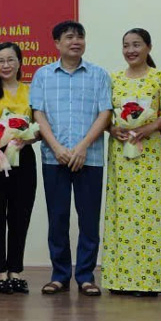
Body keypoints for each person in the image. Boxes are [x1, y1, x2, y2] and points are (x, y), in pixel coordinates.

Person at [30, 20, 112, 296]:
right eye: (69, 37)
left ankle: (86, 276)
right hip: (55, 159)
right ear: (57, 43)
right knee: (58, 218)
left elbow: (105, 113)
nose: (75, 42)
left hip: (90, 157)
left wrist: (82, 146)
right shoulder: (42, 75)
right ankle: (60, 275)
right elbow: (38, 114)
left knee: (89, 219)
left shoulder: (99, 75)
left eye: (80, 37)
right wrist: (56, 147)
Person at [104, 29, 161, 296]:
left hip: (149, 150)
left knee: (150, 213)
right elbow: (106, 114)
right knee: (121, 213)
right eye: (126, 45)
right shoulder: (114, 79)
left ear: (149, 47)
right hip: (121, 152)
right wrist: (112, 128)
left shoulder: (160, 78)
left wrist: (150, 127)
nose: (131, 50)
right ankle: (119, 279)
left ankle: (149, 281)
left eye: (137, 45)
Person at [0, 42, 38, 295]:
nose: (5, 65)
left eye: (10, 60)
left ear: (19, 63)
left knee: (20, 215)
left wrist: (28, 138)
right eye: (0, 60)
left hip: (23, 157)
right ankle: (0, 272)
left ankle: (16, 271)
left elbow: (37, 124)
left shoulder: (30, 91)